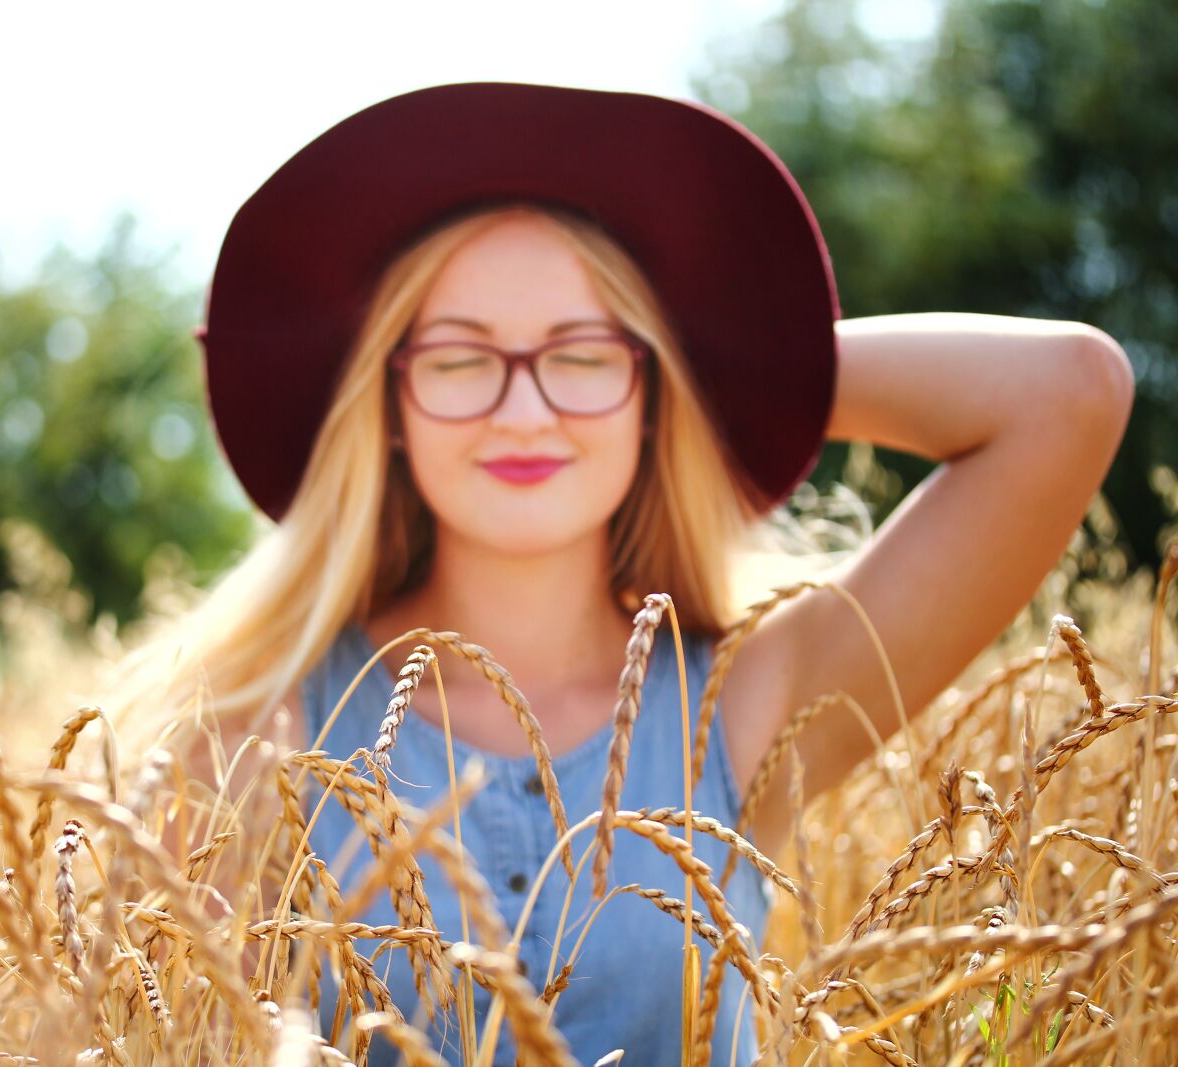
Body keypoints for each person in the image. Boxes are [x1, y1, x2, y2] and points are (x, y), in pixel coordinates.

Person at [105, 82, 1134, 1066]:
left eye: (580, 353)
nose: (522, 410)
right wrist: (612, 371)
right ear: (388, 402)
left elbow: (1067, 392)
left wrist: (718, 370)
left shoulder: (741, 703)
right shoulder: (256, 728)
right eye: (460, 357)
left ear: (653, 388)